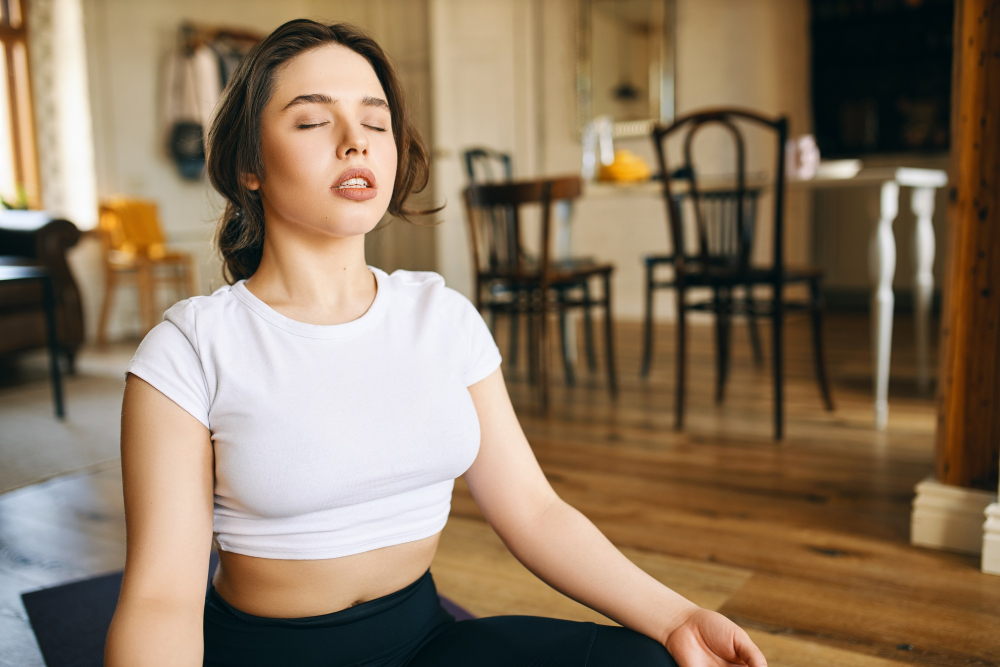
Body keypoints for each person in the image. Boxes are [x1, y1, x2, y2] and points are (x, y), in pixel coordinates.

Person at [104, 19, 768, 667]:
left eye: (375, 122)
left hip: (426, 641)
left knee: (652, 660)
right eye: (312, 120)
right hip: (266, 653)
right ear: (249, 164)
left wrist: (678, 615)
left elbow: (534, 511)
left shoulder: (442, 317)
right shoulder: (190, 348)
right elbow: (162, 598)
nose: (354, 142)